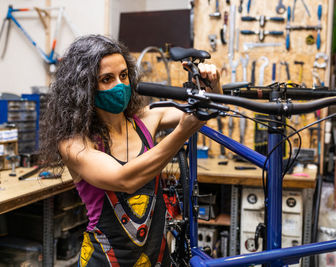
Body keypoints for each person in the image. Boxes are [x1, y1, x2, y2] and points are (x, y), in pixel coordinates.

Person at [39, 34, 222, 266]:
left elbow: (208, 107)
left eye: (124, 75)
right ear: (84, 87)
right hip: (104, 261)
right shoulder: (74, 143)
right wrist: (182, 132)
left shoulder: (147, 118)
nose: (120, 85)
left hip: (156, 257)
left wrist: (212, 84)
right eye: (107, 79)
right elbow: (124, 179)